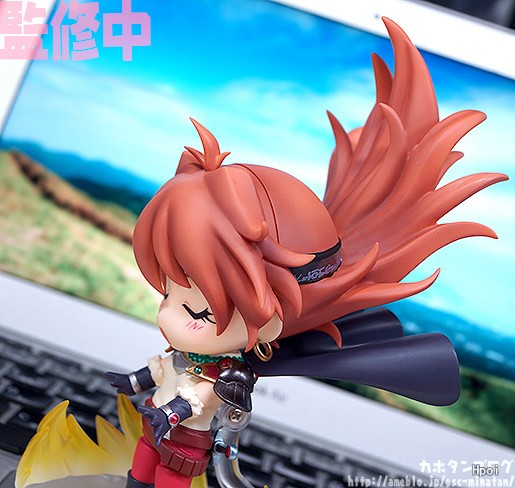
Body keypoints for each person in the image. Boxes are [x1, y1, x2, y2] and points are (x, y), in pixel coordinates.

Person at [106, 18, 507, 488]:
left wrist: (171, 412)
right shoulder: (189, 355)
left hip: (182, 443)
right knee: (140, 471)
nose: (169, 318)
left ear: (271, 321)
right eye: (169, 297)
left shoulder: (225, 374)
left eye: (200, 312)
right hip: (153, 430)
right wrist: (136, 382)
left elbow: (199, 401)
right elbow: (162, 370)